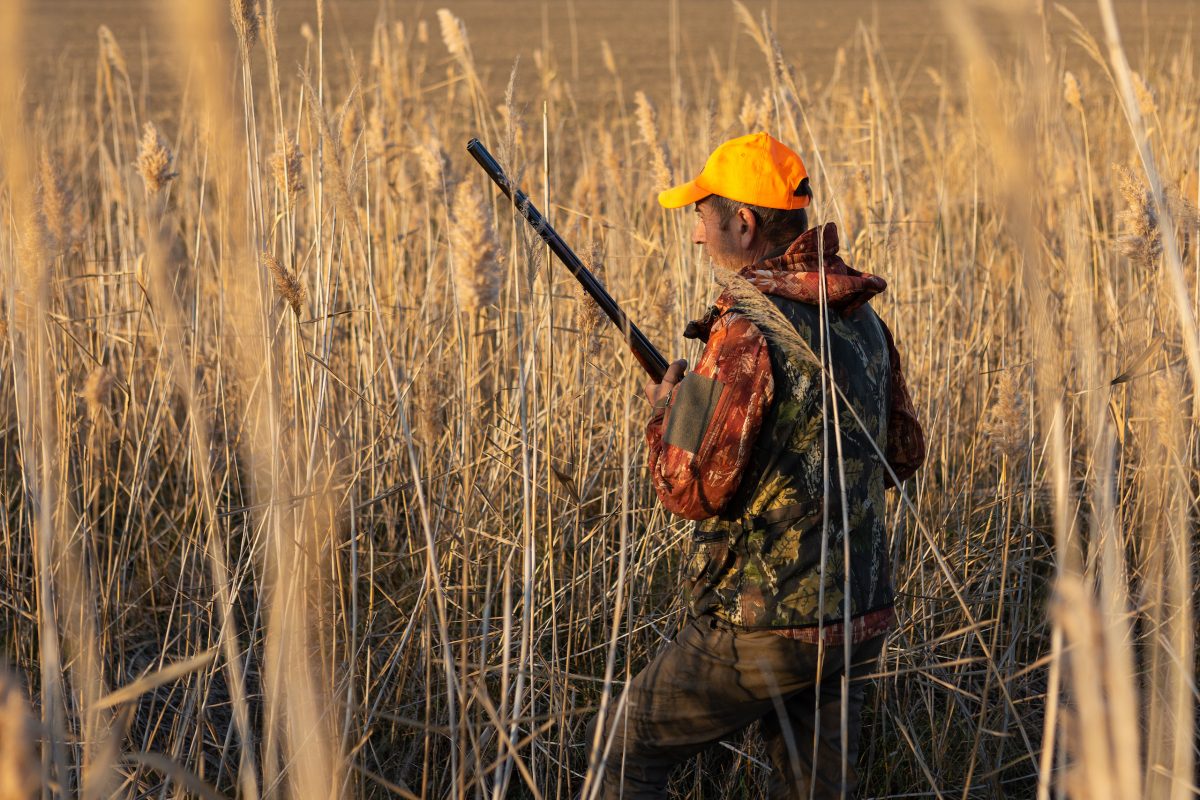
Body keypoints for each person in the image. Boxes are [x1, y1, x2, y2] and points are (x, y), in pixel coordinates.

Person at [587, 132, 925, 799]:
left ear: (743, 223)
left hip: (765, 625)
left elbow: (688, 487)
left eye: (704, 219)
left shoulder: (744, 330)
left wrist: (667, 414)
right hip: (858, 614)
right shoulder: (860, 318)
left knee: (625, 745)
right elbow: (903, 453)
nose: (696, 237)